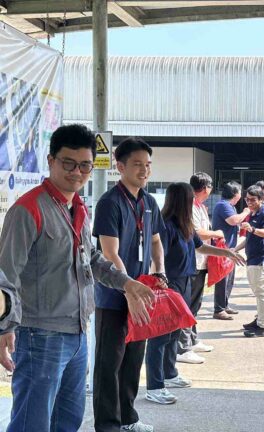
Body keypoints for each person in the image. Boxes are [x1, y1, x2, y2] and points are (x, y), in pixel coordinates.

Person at [0, 125, 155, 432]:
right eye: (68, 163)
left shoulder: (78, 207)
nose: (77, 172)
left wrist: (127, 283)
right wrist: (5, 327)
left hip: (78, 333)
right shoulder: (28, 209)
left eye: (85, 165)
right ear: (51, 161)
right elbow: (6, 275)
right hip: (39, 335)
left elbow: (91, 259)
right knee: (32, 422)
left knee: (68, 420)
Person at [145, 183, 244, 405]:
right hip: (168, 284)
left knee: (174, 332)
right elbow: (156, 256)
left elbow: (200, 247)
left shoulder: (185, 225)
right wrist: (159, 281)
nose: (194, 203)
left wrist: (226, 252)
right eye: (190, 199)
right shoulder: (166, 226)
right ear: (182, 201)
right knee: (160, 336)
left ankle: (169, 373)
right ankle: (154, 386)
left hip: (185, 282)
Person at [95, 136, 166, 432]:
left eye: (147, 164)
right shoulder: (109, 203)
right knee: (109, 365)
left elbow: (156, 241)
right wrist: (129, 290)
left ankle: (128, 419)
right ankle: (108, 425)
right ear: (120, 166)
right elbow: (109, 253)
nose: (144, 170)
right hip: (114, 297)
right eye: (137, 164)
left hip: (142, 293)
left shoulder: (149, 202)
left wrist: (160, 272)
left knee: (134, 361)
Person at [177, 172, 224, 364]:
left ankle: (192, 340)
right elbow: (197, 233)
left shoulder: (200, 206)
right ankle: (182, 348)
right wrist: (216, 233)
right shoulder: (189, 206)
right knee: (187, 306)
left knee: (195, 305)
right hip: (192, 262)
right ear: (206, 188)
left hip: (201, 261)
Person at [235, 186, 264, 337]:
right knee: (257, 292)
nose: (249, 202)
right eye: (247, 199)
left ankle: (263, 326)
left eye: (253, 200)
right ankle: (259, 320)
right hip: (253, 258)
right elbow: (250, 238)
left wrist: (252, 229)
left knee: (261, 292)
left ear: (261, 199)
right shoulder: (253, 213)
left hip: (261, 259)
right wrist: (235, 249)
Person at [211, 181, 249, 320]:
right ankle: (219, 309)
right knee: (222, 280)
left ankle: (224, 304)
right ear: (235, 193)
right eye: (240, 191)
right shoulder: (223, 205)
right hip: (223, 249)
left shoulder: (230, 206)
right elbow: (233, 220)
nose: (241, 195)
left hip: (230, 248)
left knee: (229, 279)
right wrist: (245, 212)